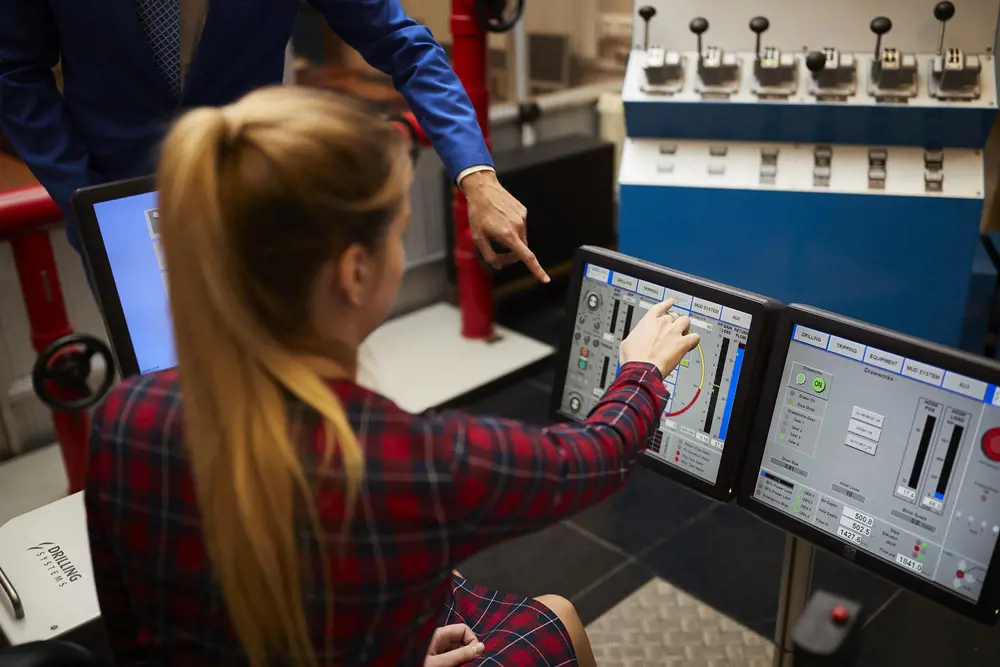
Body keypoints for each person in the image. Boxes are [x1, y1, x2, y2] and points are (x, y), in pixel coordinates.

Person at [84, 86, 700, 667]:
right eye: (398, 234)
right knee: (558, 617)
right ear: (354, 273)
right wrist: (641, 370)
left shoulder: (123, 416)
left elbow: (133, 638)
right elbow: (595, 458)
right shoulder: (402, 460)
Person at [0, 0, 547, 280]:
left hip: (258, 194)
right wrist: (85, 200)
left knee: (289, 385)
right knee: (167, 402)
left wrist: (476, 174)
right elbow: (15, 70)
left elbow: (405, 45)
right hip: (117, 208)